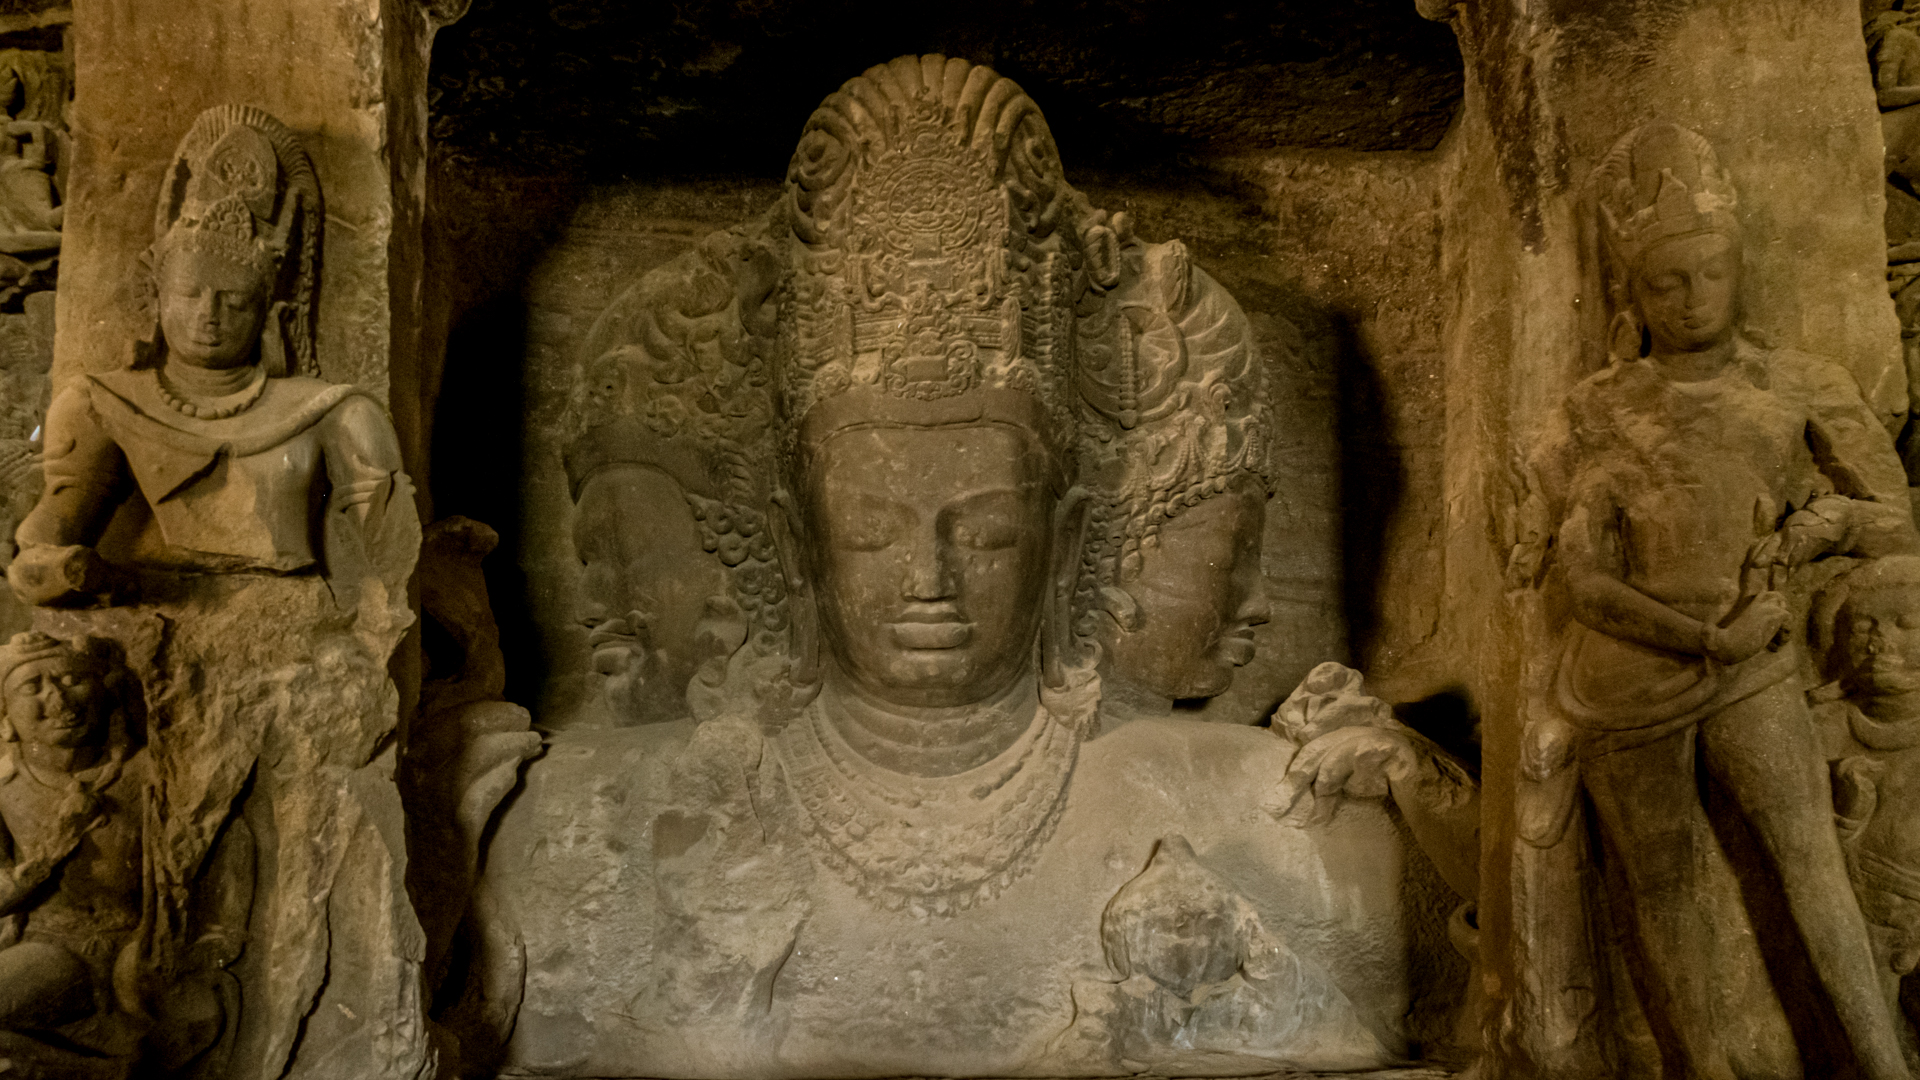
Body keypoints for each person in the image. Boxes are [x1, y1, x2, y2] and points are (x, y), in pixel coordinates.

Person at [1548, 122, 1915, 1080]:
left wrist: (1812, 532)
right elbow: (1580, 576)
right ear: (1633, 291)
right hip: (1635, 673)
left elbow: (1891, 518)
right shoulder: (1601, 405)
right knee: (1664, 889)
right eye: (1666, 283)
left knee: (1810, 869)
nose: (1693, 299)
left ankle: (1879, 1063)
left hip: (1755, 662)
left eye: (1711, 273)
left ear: (1738, 267)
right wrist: (1706, 637)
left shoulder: (1799, 383)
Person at [6, 105, 404, 608]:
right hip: (157, 610)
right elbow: (49, 536)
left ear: (268, 310)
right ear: (156, 298)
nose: (208, 315)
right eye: (189, 295)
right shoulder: (100, 404)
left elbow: (380, 562)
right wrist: (55, 568)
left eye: (235, 301)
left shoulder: (337, 413)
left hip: (299, 620)